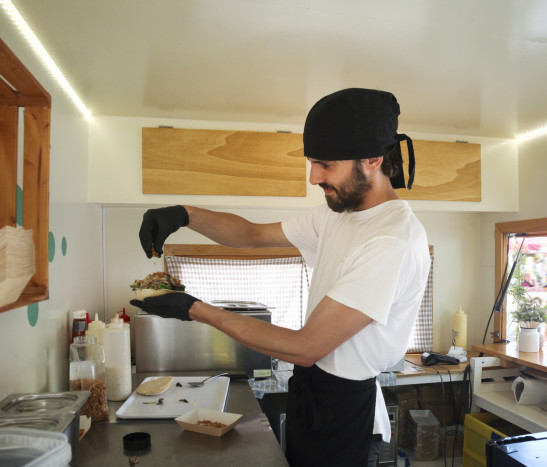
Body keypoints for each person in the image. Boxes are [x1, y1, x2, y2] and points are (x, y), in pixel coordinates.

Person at [129, 88, 431, 467]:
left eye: (325, 164)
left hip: (346, 414)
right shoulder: (337, 214)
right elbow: (252, 235)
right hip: (312, 393)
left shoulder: (392, 240)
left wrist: (195, 309)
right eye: (311, 162)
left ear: (372, 158)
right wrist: (184, 214)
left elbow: (306, 346)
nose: (313, 177)